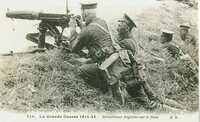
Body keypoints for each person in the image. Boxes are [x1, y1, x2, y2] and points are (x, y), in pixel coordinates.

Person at [116, 14, 185, 111]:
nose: (117, 27)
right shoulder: (130, 39)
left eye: (120, 25)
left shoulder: (126, 43)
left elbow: (122, 64)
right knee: (155, 98)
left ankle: (181, 113)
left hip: (132, 79)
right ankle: (181, 108)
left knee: (149, 105)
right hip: (139, 75)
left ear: (126, 28)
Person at [69, 0, 126, 104]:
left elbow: (73, 48)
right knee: (115, 89)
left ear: (84, 12)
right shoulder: (102, 22)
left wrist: (72, 29)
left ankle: (104, 87)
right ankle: (114, 85)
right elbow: (92, 31)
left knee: (81, 70)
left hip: (106, 65)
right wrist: (82, 25)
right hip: (115, 59)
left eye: (82, 12)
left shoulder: (87, 31)